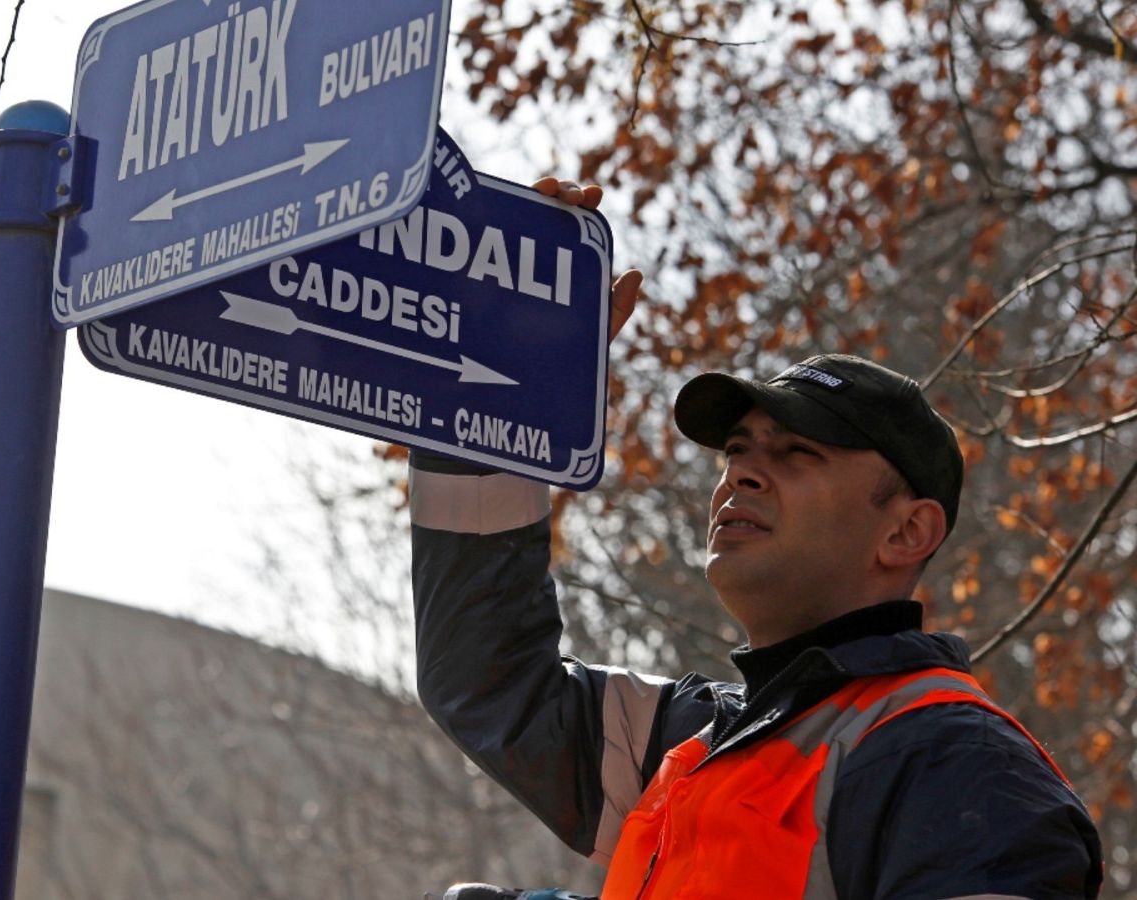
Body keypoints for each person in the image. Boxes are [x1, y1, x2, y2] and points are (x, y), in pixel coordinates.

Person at [411, 179, 1104, 899]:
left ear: (905, 531)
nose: (742, 472)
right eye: (737, 450)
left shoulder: (955, 762)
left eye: (798, 453)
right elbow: (486, 680)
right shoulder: (693, 739)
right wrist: (497, 396)